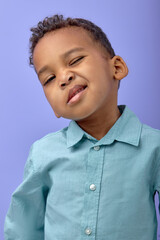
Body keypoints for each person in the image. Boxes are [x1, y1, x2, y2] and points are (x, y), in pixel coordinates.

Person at [4, 14, 160, 240]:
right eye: (49, 79)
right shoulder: (42, 153)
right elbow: (22, 230)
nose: (63, 78)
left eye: (75, 60)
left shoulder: (153, 147)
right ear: (53, 107)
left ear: (116, 68)